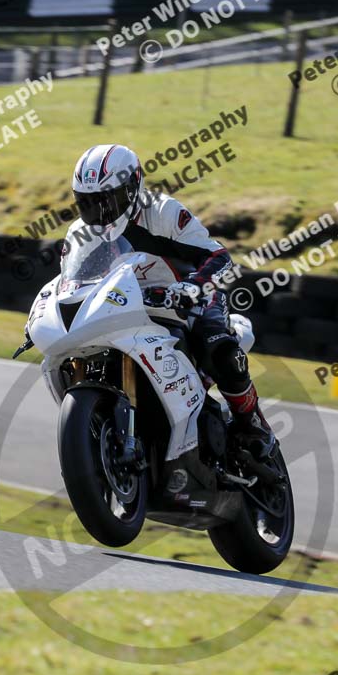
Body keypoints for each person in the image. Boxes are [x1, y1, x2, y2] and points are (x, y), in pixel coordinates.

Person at [69, 143, 275, 457]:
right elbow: (71, 284)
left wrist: (191, 289)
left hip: (185, 298)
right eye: (88, 203)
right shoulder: (78, 235)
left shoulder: (163, 212)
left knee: (218, 347)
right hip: (126, 307)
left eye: (106, 200)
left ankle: (252, 423)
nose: (99, 212)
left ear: (132, 188)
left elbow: (218, 257)